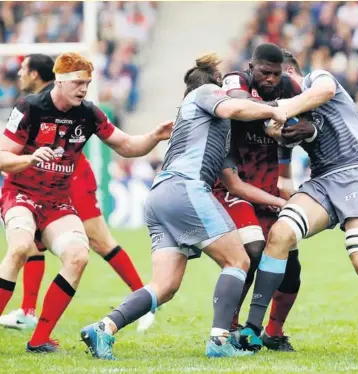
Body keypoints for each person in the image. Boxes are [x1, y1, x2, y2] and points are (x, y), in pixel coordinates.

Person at [79, 53, 289, 360]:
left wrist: (278, 200)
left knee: (164, 286)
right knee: (238, 262)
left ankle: (104, 327)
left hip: (160, 196)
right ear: (216, 85)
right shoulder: (205, 93)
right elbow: (233, 105)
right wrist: (276, 108)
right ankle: (220, 341)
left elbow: (233, 185)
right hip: (186, 188)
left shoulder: (209, 126)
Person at [233, 49, 358, 355]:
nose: (275, 84)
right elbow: (288, 163)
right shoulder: (294, 112)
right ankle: (253, 330)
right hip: (322, 180)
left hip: (357, 171)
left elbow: (325, 91)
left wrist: (283, 106)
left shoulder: (317, 79)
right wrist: (279, 134)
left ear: (291, 72)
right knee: (281, 234)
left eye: (280, 77)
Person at [0, 52, 173, 353]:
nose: (84, 89)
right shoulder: (30, 108)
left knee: (79, 256)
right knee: (19, 248)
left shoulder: (89, 113)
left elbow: (127, 145)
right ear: (61, 80)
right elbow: (3, 156)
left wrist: (155, 136)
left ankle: (39, 338)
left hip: (57, 202)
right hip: (22, 195)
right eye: (78, 83)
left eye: (87, 83)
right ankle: (25, 311)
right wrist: (30, 157)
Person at [213, 43, 317, 352]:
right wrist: (275, 114)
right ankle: (230, 329)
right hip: (234, 187)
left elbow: (311, 122)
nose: (270, 79)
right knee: (252, 253)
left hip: (270, 191)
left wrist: (299, 128)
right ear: (251, 67)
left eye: (275, 74)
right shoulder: (236, 80)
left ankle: (272, 332)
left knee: (291, 267)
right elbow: (236, 103)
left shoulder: (290, 86)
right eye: (264, 73)